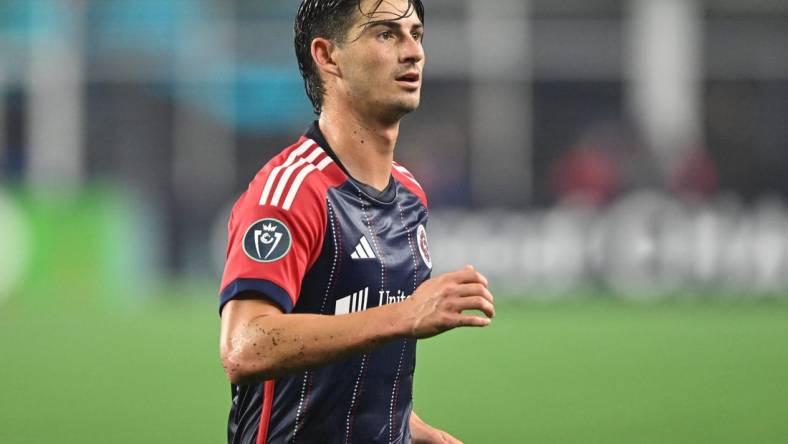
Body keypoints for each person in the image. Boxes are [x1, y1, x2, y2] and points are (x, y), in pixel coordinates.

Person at [218, 1, 495, 442]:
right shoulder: (291, 192)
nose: (413, 52)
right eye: (386, 34)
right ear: (328, 57)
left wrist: (417, 432)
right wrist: (405, 314)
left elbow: (356, 383)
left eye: (416, 34)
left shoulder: (409, 196)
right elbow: (245, 346)